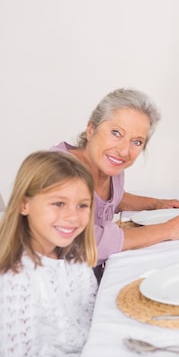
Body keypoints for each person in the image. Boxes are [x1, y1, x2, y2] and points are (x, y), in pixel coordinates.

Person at [52, 88, 179, 274]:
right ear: (91, 130)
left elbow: (111, 199)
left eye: (137, 142)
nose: (124, 151)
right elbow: (82, 245)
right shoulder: (60, 171)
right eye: (116, 133)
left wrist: (157, 204)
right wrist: (169, 229)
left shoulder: (109, 166)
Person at [0, 151, 98, 356]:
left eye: (82, 205)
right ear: (24, 204)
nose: (72, 216)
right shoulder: (14, 282)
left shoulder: (76, 258)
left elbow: (90, 326)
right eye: (58, 203)